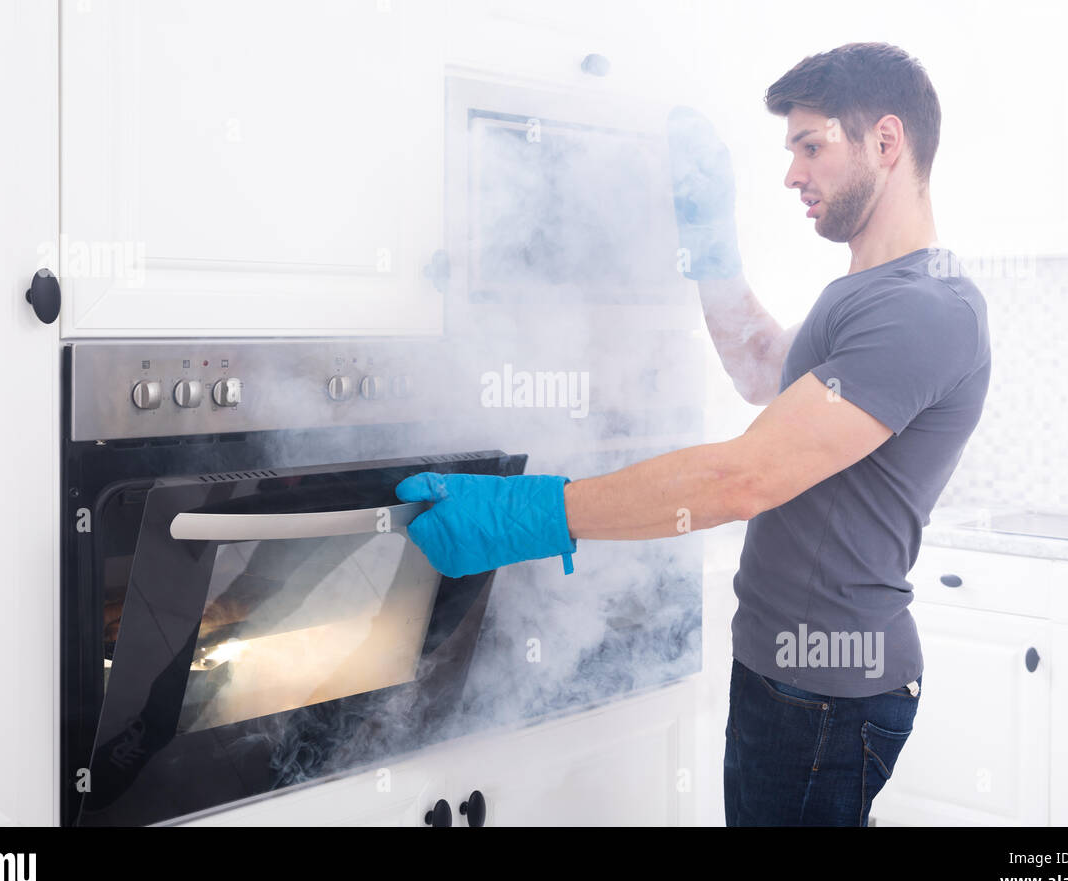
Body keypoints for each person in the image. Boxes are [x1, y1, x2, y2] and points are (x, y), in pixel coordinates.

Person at [395, 42, 991, 826]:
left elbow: (743, 480)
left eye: (811, 145)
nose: (791, 174)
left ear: (886, 142)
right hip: (788, 680)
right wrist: (712, 250)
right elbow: (761, 371)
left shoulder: (924, 307)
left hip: (827, 697)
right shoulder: (867, 291)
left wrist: (524, 514)